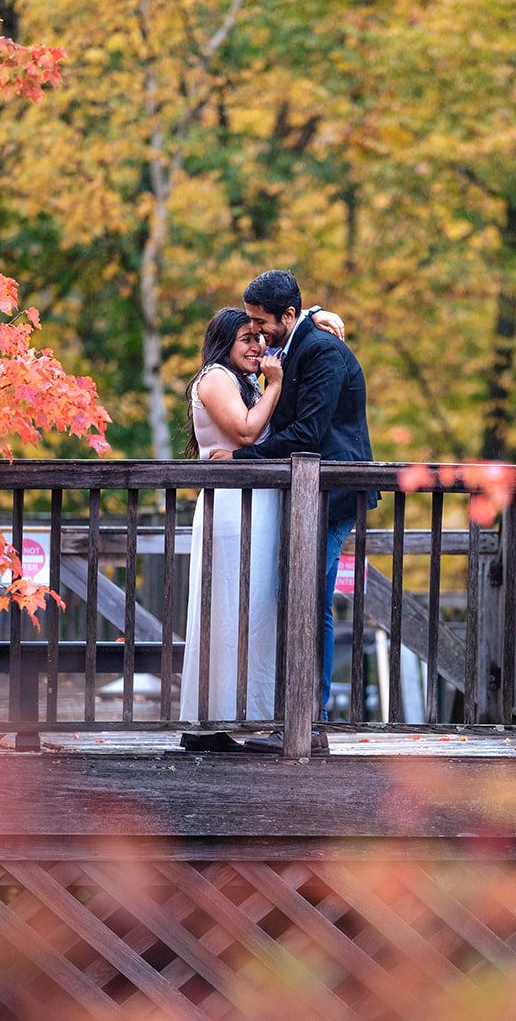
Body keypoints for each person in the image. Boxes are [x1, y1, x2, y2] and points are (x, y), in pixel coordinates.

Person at [178, 304, 344, 752]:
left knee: (257, 614)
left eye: (260, 336)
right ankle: (210, 719)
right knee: (227, 608)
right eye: (247, 339)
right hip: (232, 512)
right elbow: (248, 432)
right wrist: (276, 383)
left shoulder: (246, 379)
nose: (258, 346)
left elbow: (292, 322)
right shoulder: (214, 378)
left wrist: (320, 317)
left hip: (260, 507)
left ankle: (248, 716)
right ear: (224, 343)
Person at [233, 269, 376, 717]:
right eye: (251, 319)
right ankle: (306, 711)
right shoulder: (296, 341)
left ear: (288, 314)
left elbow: (308, 432)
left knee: (306, 596)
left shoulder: (322, 353)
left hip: (333, 493)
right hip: (309, 494)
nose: (255, 328)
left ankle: (310, 714)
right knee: (302, 596)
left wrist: (246, 458)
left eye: (261, 320)